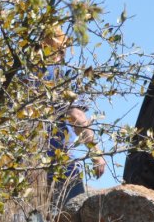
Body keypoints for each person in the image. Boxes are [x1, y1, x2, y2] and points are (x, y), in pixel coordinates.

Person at [41, 29, 106, 208]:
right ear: (61, 51)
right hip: (59, 167)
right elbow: (77, 117)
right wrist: (97, 155)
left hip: (22, 167)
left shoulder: (23, 77)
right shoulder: (60, 77)